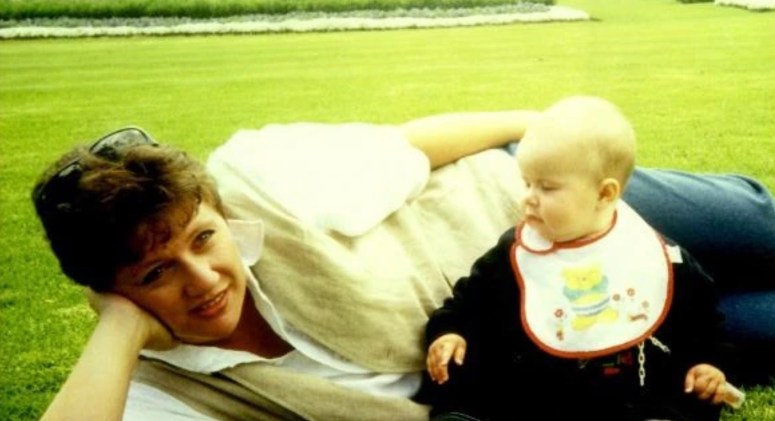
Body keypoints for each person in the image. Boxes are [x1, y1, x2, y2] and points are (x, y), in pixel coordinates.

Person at [31, 107, 774, 420]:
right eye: (155, 274)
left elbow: (411, 146)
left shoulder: (257, 176)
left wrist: (547, 132)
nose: (206, 281)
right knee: (758, 327)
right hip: (545, 327)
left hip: (524, 196)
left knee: (759, 223)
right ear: (107, 290)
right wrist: (121, 329)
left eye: (203, 238)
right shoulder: (163, 391)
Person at [423, 97, 741, 421]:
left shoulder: (659, 257)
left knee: (677, 400)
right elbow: (466, 303)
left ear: (604, 193)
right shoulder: (515, 253)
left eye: (547, 187)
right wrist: (449, 332)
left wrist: (709, 363)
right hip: (531, 397)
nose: (528, 198)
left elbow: (704, 322)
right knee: (476, 395)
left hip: (633, 398)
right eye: (527, 183)